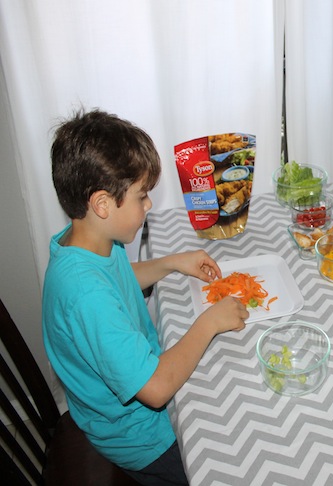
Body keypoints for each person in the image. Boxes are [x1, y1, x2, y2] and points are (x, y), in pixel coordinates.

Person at [42, 109, 249, 485]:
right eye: (142, 196)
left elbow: (118, 281)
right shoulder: (85, 295)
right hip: (143, 440)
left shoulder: (91, 242)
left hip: (139, 395)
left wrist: (172, 263)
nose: (149, 205)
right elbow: (155, 390)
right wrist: (209, 323)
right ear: (102, 204)